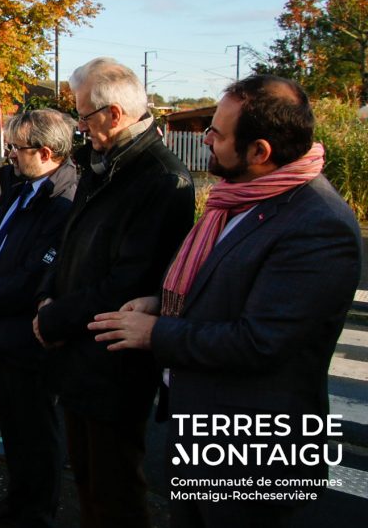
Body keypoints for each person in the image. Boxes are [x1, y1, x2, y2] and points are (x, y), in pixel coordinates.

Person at [89, 75, 363, 527]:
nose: (205, 138)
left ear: (260, 152)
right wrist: (162, 302)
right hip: (203, 431)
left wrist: (156, 333)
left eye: (217, 132)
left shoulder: (318, 225)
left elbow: (263, 342)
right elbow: (224, 286)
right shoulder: (239, 196)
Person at [32, 57, 194, 528]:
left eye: (82, 116)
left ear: (113, 115)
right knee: (86, 479)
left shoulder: (160, 178)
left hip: (112, 360)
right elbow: (68, 243)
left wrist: (53, 318)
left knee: (114, 489)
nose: (78, 127)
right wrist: (47, 295)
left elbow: (130, 280)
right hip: (79, 351)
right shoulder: (103, 164)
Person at [0, 110, 78, 527]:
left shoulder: (65, 202)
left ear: (46, 153)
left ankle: (37, 513)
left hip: (28, 336)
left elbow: (35, 276)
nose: (9, 154)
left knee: (38, 431)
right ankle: (16, 502)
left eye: (17, 148)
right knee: (14, 424)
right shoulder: (20, 184)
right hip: (1, 331)